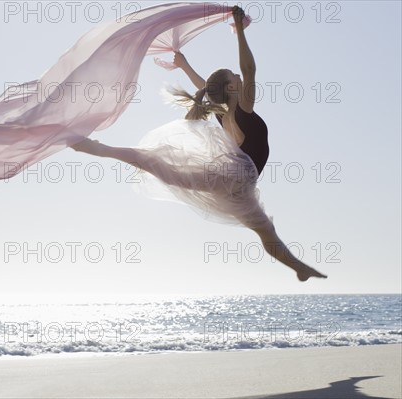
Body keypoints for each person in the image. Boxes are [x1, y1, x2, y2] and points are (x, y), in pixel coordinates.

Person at [71, 6, 327, 282]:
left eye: (236, 76)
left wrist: (183, 64)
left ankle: (299, 268)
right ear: (231, 88)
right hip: (237, 179)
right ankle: (99, 149)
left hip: (239, 187)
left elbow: (206, 86)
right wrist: (238, 29)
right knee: (263, 230)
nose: (240, 78)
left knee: (158, 163)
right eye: (234, 77)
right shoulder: (242, 110)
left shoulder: (222, 111)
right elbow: (250, 69)